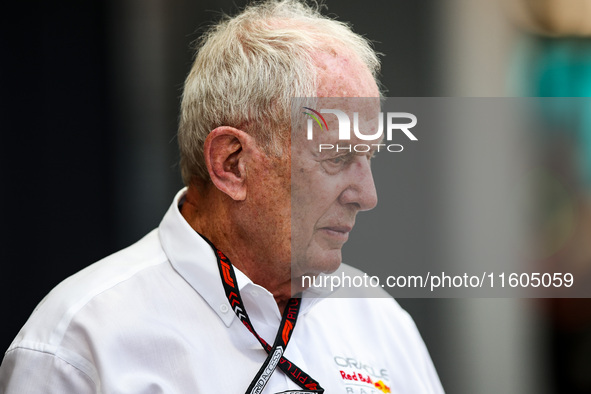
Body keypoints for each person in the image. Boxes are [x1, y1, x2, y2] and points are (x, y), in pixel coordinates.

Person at [0, 1, 444, 392]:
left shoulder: (377, 318)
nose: (367, 196)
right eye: (337, 157)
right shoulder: (80, 343)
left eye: (368, 157)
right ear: (232, 163)